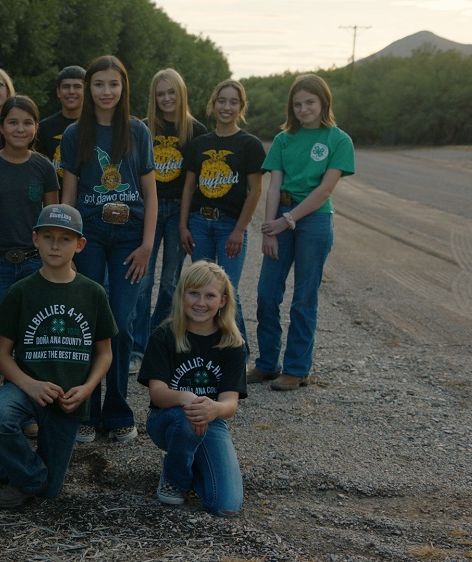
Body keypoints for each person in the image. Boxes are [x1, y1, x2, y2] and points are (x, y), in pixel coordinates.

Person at [0, 204, 117, 508]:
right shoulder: (22, 291)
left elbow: (105, 353)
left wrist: (87, 389)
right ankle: (22, 472)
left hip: (69, 399)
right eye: (48, 237)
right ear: (35, 239)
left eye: (65, 239)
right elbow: (0, 355)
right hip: (26, 391)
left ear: (80, 244)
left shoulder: (93, 293)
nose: (55, 245)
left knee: (49, 491)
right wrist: (29, 385)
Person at [60, 55, 157, 444]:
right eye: (98, 84)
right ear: (88, 88)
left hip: (131, 237)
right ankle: (86, 410)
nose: (105, 91)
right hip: (90, 235)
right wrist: (67, 244)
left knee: (120, 321)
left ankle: (117, 411)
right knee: (88, 321)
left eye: (113, 84)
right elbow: (68, 195)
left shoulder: (137, 132)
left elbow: (150, 193)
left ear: (123, 88)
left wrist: (149, 245)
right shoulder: (74, 134)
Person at [250, 74, 355, 391]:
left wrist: (289, 220)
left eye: (310, 102)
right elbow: (274, 186)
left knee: (304, 298)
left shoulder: (338, 140)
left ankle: (296, 370)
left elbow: (324, 190)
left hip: (314, 221)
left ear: (323, 102)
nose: (303, 108)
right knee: (267, 295)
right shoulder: (283, 140)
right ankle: (267, 364)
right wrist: (270, 229)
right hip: (281, 217)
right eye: (297, 104)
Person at [0, 95, 60, 440]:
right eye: (12, 122)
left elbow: (53, 223)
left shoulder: (44, 168)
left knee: (29, 343)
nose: (19, 129)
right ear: (1, 126)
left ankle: (24, 414)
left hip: (34, 263)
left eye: (27, 122)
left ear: (35, 128)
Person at [137, 260, 246, 516]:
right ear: (182, 295)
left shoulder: (232, 343)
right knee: (187, 418)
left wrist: (214, 408)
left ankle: (192, 463)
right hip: (167, 419)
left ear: (222, 301)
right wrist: (189, 398)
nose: (200, 302)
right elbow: (158, 394)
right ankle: (175, 479)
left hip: (211, 420)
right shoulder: (165, 336)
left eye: (210, 296)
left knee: (226, 506)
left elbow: (230, 404)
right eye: (193, 293)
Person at [129, 68, 207, 376]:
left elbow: (195, 183)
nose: (166, 99)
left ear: (181, 93)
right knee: (141, 278)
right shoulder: (143, 128)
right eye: (160, 93)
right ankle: (136, 347)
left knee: (171, 280)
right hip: (148, 207)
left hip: (178, 210)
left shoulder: (195, 130)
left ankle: (157, 340)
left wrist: (186, 220)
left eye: (171, 92)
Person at [179, 79, 265, 356]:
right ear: (213, 103)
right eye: (222, 101)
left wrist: (240, 230)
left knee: (229, 292)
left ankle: (238, 353)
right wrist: (183, 225)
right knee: (200, 290)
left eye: (233, 102)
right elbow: (189, 186)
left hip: (230, 225)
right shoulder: (201, 143)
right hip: (199, 224)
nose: (226, 107)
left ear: (241, 106)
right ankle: (204, 350)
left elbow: (254, 190)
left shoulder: (250, 145)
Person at [36, 66, 85, 180]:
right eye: (66, 87)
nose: (71, 91)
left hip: (88, 195)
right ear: (58, 92)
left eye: (77, 86)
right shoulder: (44, 128)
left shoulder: (97, 125)